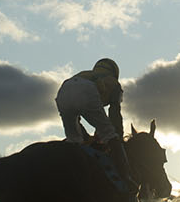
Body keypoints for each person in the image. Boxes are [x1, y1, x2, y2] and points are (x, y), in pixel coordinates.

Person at [55, 58, 135, 187]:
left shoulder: (86, 74)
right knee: (110, 134)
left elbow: (77, 119)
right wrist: (117, 139)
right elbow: (115, 113)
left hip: (64, 89)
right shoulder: (114, 83)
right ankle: (126, 178)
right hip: (85, 90)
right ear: (115, 72)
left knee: (74, 140)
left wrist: (86, 138)